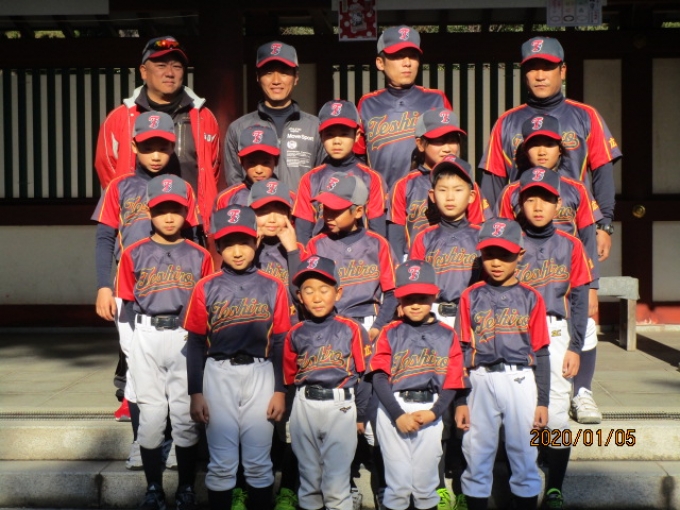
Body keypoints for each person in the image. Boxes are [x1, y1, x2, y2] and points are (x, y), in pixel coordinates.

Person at [92, 111, 201, 470]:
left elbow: (195, 239)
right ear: (134, 145)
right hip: (129, 291)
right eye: (148, 146)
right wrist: (103, 286)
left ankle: (176, 442)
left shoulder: (183, 188)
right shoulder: (119, 186)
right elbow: (105, 237)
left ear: (173, 148)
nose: (155, 154)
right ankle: (144, 443)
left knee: (178, 374)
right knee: (139, 372)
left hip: (174, 291)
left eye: (163, 147)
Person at [495, 114, 603, 424]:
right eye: (535, 145)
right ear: (524, 150)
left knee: (584, 329)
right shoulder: (512, 192)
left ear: (561, 148)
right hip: (527, 275)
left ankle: (582, 392)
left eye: (549, 144)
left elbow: (587, 238)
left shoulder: (576, 188)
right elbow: (502, 239)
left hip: (565, 271)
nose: (542, 151)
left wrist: (593, 285)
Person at [115, 174, 214, 510]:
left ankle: (185, 488)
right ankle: (154, 488)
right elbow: (126, 307)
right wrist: (131, 348)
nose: (169, 217)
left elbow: (204, 306)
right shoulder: (133, 253)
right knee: (152, 416)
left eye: (176, 209)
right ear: (149, 211)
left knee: (185, 416)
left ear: (187, 211)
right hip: (146, 333)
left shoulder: (199, 255)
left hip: (185, 337)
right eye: (161, 209)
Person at [184, 205, 292, 510]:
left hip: (261, 373)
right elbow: (195, 343)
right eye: (228, 243)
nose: (237, 250)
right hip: (218, 373)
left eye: (243, 242)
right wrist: (195, 392)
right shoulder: (206, 286)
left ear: (256, 241)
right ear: (218, 246)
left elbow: (281, 342)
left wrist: (280, 390)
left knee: (258, 462)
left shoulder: (273, 286)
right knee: (222, 463)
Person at [478, 35, 621, 262]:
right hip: (520, 240)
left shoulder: (586, 116)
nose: (540, 75)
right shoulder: (506, 122)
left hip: (573, 233)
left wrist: (604, 225)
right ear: (524, 73)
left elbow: (603, 174)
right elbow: (491, 187)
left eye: (547, 67)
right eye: (532, 68)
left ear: (562, 71)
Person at [446, 218, 551, 510]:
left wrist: (543, 401)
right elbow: (461, 349)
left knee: (524, 453)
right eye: (489, 254)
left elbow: (542, 352)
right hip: (479, 379)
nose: (496, 262)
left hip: (520, 378)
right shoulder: (470, 295)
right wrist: (461, 400)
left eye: (505, 255)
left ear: (520, 254)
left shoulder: (531, 297)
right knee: (476, 451)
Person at [515, 170, 593, 509]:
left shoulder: (571, 244)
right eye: (530, 199)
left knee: (558, 410)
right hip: (515, 329)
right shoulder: (510, 240)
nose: (537, 206)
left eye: (545, 199)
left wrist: (576, 346)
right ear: (520, 203)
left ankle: (555, 488)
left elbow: (579, 299)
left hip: (555, 330)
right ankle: (526, 482)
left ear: (557, 203)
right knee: (521, 406)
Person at [95, 35, 220, 234]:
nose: (170, 73)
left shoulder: (204, 117)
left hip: (191, 225)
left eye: (177, 67)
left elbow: (213, 168)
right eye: (161, 65)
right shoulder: (119, 118)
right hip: (138, 227)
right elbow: (108, 171)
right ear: (143, 71)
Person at [368, 259, 466, 510]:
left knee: (425, 486)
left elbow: (452, 381)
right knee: (397, 486)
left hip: (430, 408)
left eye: (422, 297)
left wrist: (435, 412)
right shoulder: (389, 332)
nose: (414, 304)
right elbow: (378, 377)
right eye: (408, 298)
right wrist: (397, 414)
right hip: (393, 408)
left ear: (434, 296)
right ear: (399, 299)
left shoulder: (448, 334)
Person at [283, 256, 370, 510]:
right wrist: (290, 415)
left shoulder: (352, 328)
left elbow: (365, 377)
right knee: (309, 479)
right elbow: (289, 378)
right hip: (304, 404)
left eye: (324, 289)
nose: (317, 297)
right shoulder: (295, 333)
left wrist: (361, 415)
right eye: (309, 291)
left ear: (338, 293)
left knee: (336, 484)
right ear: (299, 296)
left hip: (340, 405)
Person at [249, 178, 305, 510]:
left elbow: (303, 294)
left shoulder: (297, 249)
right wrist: (251, 246)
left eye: (278, 210)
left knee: (293, 422)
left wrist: (293, 250)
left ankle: (289, 487)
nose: (271, 218)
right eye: (263, 211)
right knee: (260, 422)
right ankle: (257, 484)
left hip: (291, 348)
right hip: (256, 348)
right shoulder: (242, 248)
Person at [356, 26, 451, 189]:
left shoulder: (436, 100)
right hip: (381, 198)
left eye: (413, 56)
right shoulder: (367, 103)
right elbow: (358, 158)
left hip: (425, 197)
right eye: (398, 56)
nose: (407, 63)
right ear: (380, 63)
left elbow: (450, 155)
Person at [305, 173, 397, 342]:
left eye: (336, 210)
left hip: (367, 323)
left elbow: (393, 292)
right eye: (326, 208)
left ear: (358, 211)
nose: (329, 215)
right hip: (329, 325)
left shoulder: (378, 244)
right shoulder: (315, 245)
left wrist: (378, 326)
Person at [224, 41, 324, 191]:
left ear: (296, 77)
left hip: (301, 207)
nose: (276, 81)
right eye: (269, 72)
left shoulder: (316, 128)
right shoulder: (238, 128)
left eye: (284, 72)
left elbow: (323, 180)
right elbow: (235, 186)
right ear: (258, 77)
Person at [388, 108, 486, 258]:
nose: (447, 148)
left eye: (452, 140)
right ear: (420, 144)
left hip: (460, 258)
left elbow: (478, 228)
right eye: (439, 141)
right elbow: (396, 237)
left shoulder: (468, 182)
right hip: (415, 260)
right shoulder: (403, 185)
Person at [293, 99, 386, 245]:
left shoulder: (371, 178)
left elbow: (377, 230)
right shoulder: (310, 179)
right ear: (321, 136)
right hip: (321, 253)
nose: (337, 141)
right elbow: (303, 232)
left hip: (360, 254)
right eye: (330, 134)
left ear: (357, 135)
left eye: (344, 134)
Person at [214, 124, 281, 209]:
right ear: (241, 161)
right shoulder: (225, 200)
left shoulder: (289, 199)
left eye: (266, 162)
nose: (259, 170)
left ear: (276, 160)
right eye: (251, 162)